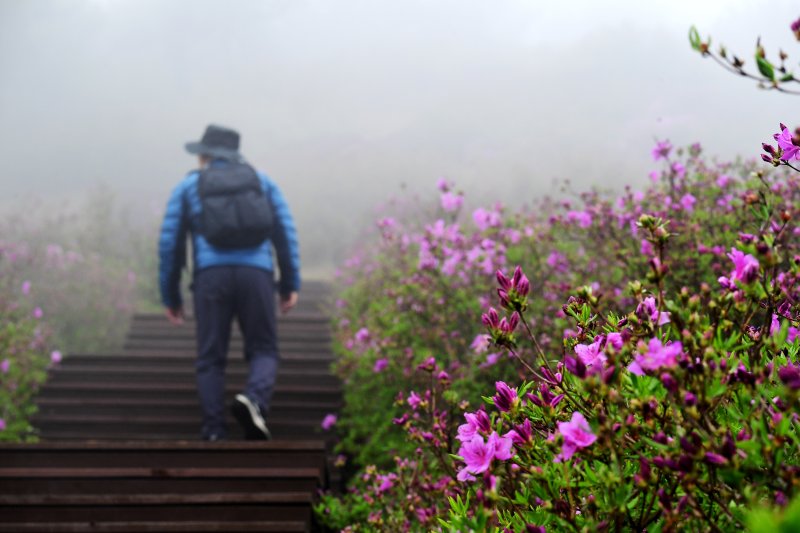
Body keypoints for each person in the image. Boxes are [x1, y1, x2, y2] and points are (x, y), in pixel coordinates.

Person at [158, 124, 300, 441]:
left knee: (211, 357)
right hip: (257, 275)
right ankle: (255, 400)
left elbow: (170, 244)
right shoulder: (262, 182)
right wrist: (289, 283)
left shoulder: (189, 187)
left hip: (211, 277)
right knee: (264, 348)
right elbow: (284, 234)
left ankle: (214, 431)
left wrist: (171, 295)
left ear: (204, 156)